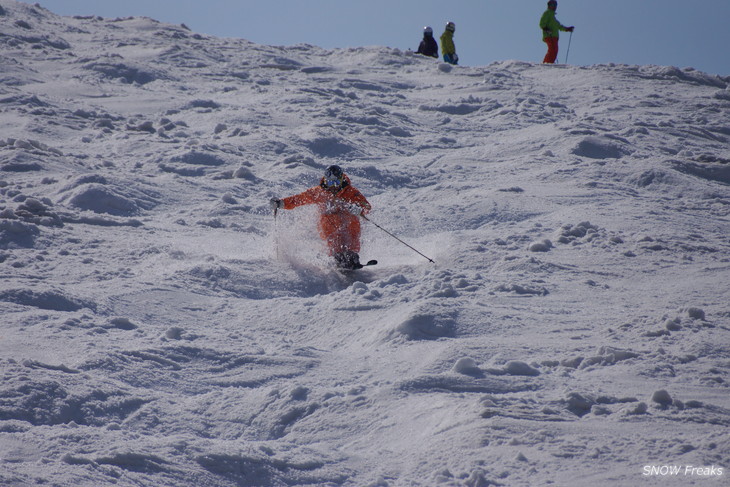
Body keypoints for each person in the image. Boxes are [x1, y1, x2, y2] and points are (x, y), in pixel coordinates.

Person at [269, 165, 372, 269]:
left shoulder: (351, 192)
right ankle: (338, 258)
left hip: (350, 225)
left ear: (342, 180)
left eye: (336, 182)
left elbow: (367, 206)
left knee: (351, 241)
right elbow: (298, 199)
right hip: (330, 227)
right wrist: (281, 203)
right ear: (326, 180)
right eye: (330, 182)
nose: (333, 186)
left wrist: (359, 209)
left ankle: (352, 257)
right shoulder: (318, 192)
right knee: (336, 244)